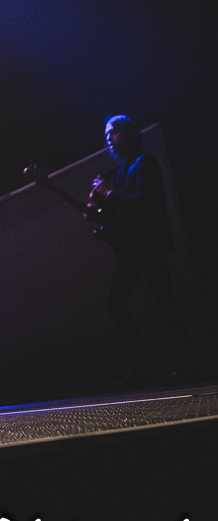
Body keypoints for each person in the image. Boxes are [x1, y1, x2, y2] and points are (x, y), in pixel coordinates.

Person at [90, 116, 194, 387]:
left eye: (112, 133)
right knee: (154, 302)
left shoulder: (145, 163)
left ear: (128, 133)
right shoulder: (123, 169)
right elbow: (122, 212)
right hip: (136, 248)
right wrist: (100, 214)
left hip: (148, 246)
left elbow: (143, 203)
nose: (108, 139)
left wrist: (109, 195)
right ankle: (157, 366)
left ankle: (166, 366)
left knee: (160, 303)